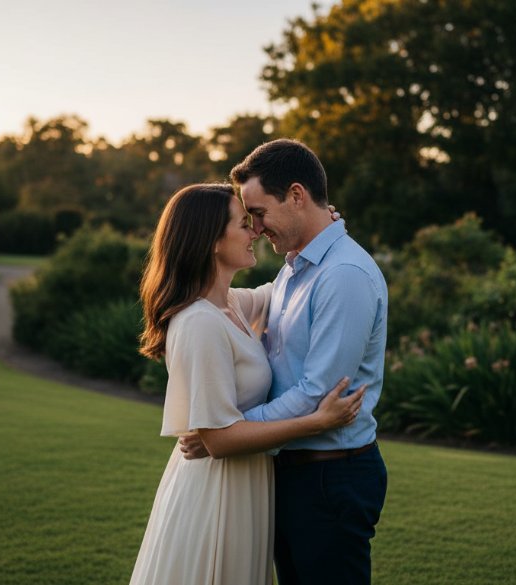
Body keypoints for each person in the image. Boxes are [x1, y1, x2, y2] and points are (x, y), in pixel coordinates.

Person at [129, 183, 365, 585]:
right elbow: (218, 441)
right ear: (211, 242)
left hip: (246, 484)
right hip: (216, 494)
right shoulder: (200, 322)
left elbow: (289, 285)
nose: (255, 231)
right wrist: (317, 422)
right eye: (243, 223)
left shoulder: (232, 306)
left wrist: (316, 229)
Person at [183, 139, 389, 584]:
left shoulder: (343, 276)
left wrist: (230, 431)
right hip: (292, 473)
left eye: (258, 213)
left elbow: (319, 395)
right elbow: (223, 304)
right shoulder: (296, 268)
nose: (255, 229)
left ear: (296, 196)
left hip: (330, 478)